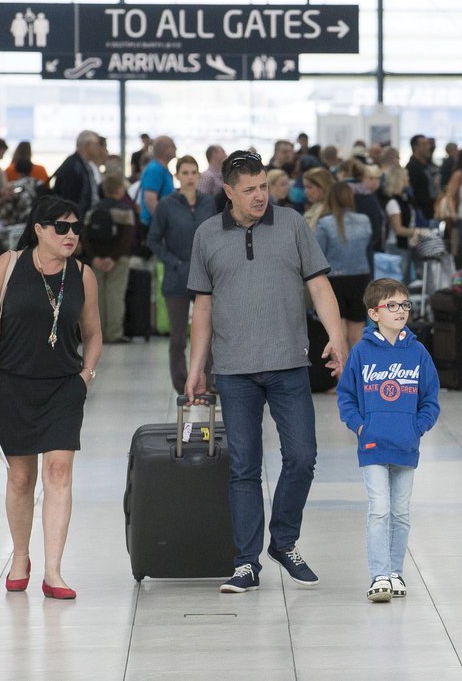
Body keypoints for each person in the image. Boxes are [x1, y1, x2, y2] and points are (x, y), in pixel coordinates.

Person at [183, 150, 349, 594]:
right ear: (230, 192)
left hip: (289, 364)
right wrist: (195, 368)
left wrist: (337, 335)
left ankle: (284, 541)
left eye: (264, 187)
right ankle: (245, 563)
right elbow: (202, 306)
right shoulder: (206, 235)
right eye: (251, 190)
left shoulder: (293, 224)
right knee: (243, 467)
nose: (261, 196)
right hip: (234, 370)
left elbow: (318, 283)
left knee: (302, 457)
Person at [0, 195, 102, 600]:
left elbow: (93, 333)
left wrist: (85, 376)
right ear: (39, 229)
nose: (71, 234)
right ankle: (21, 556)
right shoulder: (9, 265)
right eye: (62, 227)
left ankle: (54, 571)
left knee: (59, 473)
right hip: (13, 385)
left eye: (76, 228)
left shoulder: (82, 274)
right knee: (21, 477)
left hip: (63, 387)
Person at [337, 278, 440, 602]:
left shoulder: (418, 353)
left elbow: (431, 399)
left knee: (400, 512)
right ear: (373, 313)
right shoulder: (362, 353)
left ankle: (396, 573)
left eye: (404, 305)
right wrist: (360, 426)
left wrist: (417, 427)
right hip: (372, 446)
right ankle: (379, 574)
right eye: (391, 306)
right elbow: (347, 396)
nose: (400, 311)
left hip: (406, 445)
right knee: (379, 510)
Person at [147, 155, 217, 394]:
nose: (189, 177)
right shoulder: (166, 205)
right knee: (178, 337)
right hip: (177, 277)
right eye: (185, 173)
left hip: (207, 278)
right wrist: (174, 263)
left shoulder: (209, 203)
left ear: (199, 175)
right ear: (177, 175)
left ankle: (209, 382)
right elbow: (153, 240)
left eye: (193, 172)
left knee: (209, 332)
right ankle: (182, 384)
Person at [315, 182, 373, 347]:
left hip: (335, 280)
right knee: (357, 335)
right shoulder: (364, 220)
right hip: (360, 277)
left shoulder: (325, 223)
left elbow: (318, 254)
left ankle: (343, 373)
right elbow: (368, 245)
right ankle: (358, 372)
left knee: (338, 337)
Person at [83, 174, 136, 343]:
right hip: (118, 260)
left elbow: (85, 236)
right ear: (120, 190)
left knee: (96, 296)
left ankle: (97, 334)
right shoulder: (125, 210)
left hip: (96, 259)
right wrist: (113, 258)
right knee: (115, 296)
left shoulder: (93, 210)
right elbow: (128, 237)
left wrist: (95, 258)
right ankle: (114, 333)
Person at [54, 130, 103, 217]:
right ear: (87, 145)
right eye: (97, 144)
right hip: (73, 221)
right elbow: (68, 198)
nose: (99, 148)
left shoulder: (83, 165)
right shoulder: (73, 167)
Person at [139, 135, 177, 229]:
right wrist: (163, 223)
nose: (176, 148)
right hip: (153, 225)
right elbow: (150, 199)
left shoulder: (162, 169)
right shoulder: (155, 169)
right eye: (172, 145)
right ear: (163, 149)